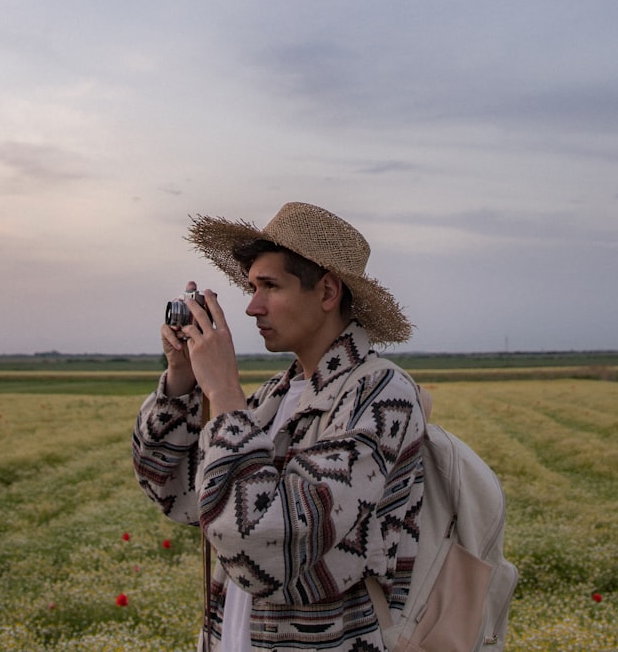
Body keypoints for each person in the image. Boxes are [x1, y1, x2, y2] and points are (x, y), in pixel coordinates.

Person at [133, 202, 425, 651]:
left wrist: (226, 394)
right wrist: (182, 380)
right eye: (252, 287)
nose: (252, 307)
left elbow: (262, 540)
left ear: (328, 292)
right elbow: (174, 491)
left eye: (269, 286)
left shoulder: (382, 394)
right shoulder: (272, 398)